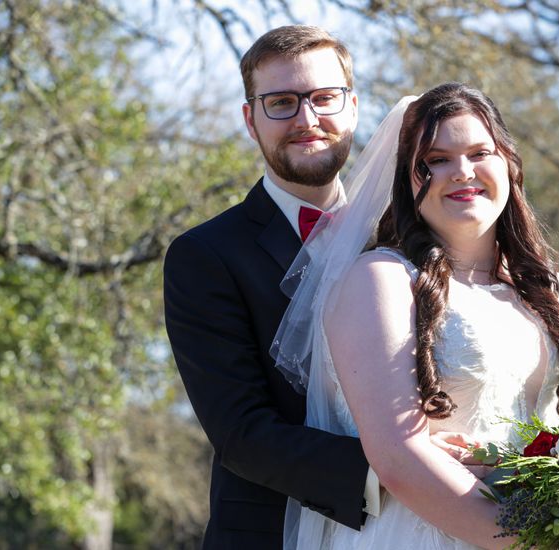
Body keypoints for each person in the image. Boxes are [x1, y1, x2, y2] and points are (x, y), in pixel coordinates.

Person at [163, 27, 476, 548]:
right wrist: (397, 470)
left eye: (324, 98)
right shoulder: (205, 255)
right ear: (250, 119)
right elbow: (242, 433)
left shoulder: (410, 238)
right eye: (282, 102)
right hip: (272, 534)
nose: (307, 120)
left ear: (352, 107)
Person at [273, 82, 559, 548]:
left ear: (508, 161)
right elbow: (398, 459)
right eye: (436, 160)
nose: (462, 172)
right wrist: (534, 544)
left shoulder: (557, 294)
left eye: (479, 152)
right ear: (408, 180)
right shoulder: (381, 281)